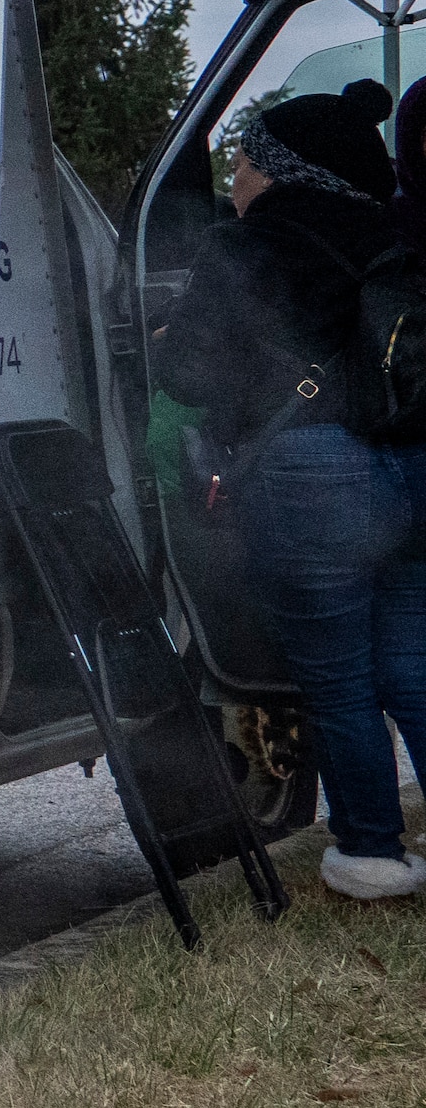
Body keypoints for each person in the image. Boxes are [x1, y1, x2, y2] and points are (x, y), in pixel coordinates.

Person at [152, 87, 424, 903]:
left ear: (279, 170)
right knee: (412, 665)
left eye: (243, 162)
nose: (235, 179)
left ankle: (372, 853)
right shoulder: (399, 232)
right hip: (413, 465)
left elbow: (188, 374)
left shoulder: (251, 246)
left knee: (338, 680)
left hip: (313, 477)